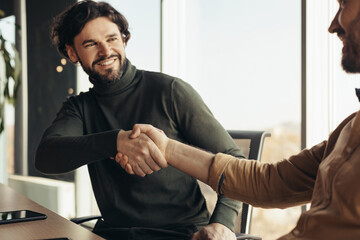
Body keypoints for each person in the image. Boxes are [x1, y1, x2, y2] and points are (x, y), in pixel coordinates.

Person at [116, 0, 360, 239]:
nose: (333, 25)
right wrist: (167, 148)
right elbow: (271, 182)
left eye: (344, 5)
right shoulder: (350, 128)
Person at [34, 1, 245, 239]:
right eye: (91, 44)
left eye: (112, 39)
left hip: (182, 234)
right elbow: (46, 157)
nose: (106, 51)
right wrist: (115, 142)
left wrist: (223, 224)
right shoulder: (79, 108)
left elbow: (235, 162)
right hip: (115, 234)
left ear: (124, 40)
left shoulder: (171, 91)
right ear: (72, 52)